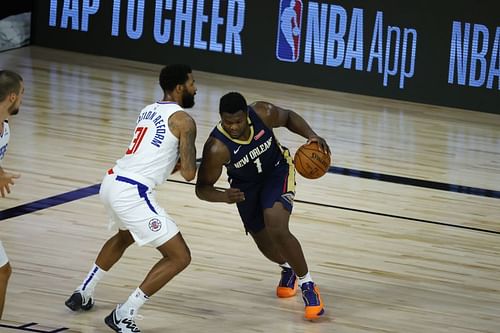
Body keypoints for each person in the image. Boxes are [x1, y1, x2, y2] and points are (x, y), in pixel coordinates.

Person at [65, 64, 197, 333]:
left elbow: (155, 157)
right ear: (180, 87)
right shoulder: (185, 121)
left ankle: (84, 291)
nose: (196, 88)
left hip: (112, 181)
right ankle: (125, 313)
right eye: (193, 83)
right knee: (179, 257)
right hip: (132, 192)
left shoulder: (148, 110)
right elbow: (188, 173)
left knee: (125, 236)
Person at [195, 92, 330, 320]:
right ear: (220, 118)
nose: (234, 127)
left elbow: (287, 117)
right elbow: (202, 188)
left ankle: (308, 286)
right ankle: (288, 268)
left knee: (275, 224)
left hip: (278, 171)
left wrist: (311, 135)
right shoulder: (217, 148)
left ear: (246, 114)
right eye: (228, 122)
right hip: (245, 187)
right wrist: (223, 196)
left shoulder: (262, 112)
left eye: (238, 121)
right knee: (265, 243)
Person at [0, 70, 24, 320]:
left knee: (2, 272)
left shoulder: (5, 128)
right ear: (12, 96)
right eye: (22, 93)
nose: (23, 99)